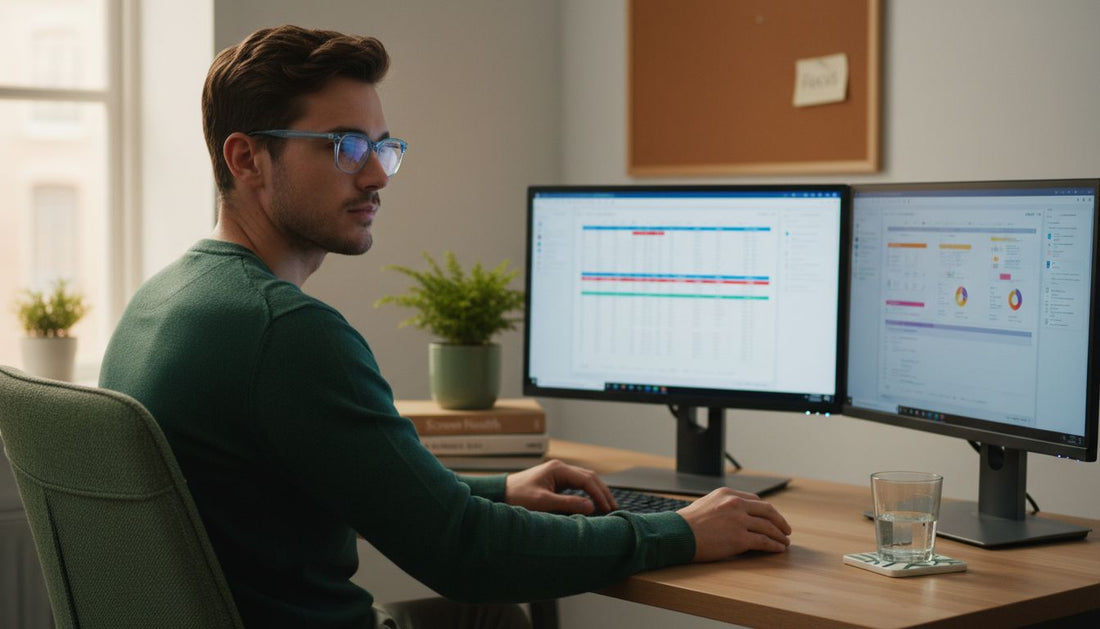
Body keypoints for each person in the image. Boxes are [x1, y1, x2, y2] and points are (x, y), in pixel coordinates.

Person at [99, 24, 792, 629]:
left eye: (382, 146)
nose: (377, 176)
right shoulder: (286, 331)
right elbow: (465, 554)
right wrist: (680, 530)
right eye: (344, 146)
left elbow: (362, 490)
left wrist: (499, 488)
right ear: (246, 158)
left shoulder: (164, 300)